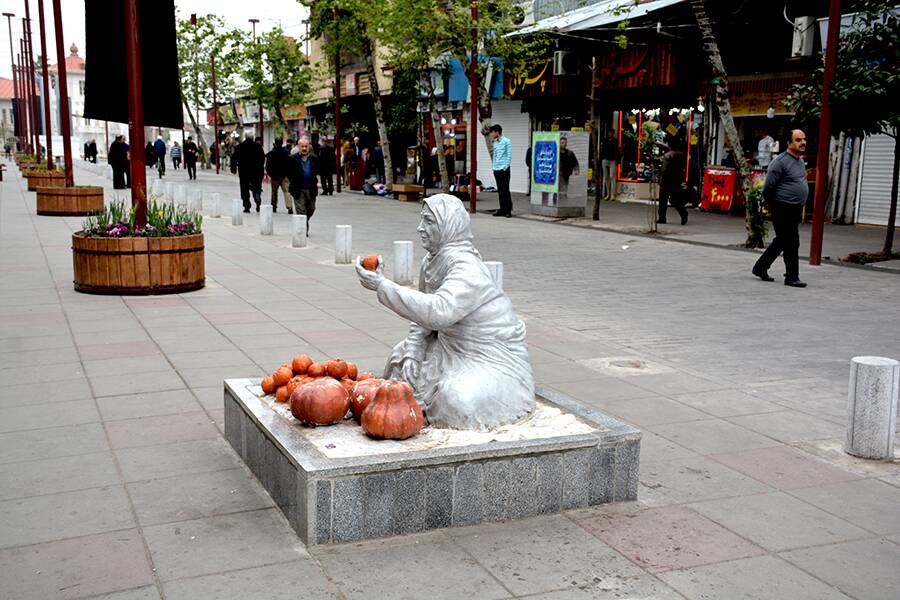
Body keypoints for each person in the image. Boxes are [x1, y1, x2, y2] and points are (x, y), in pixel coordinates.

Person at [353, 194, 535, 430]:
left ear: (447, 226)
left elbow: (439, 311)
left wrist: (383, 286)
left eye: (428, 222)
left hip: (489, 356)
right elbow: (422, 316)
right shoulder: (432, 260)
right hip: (448, 348)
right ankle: (404, 414)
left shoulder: (467, 267)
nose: (420, 229)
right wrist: (414, 350)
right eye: (422, 221)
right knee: (399, 360)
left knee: (456, 400)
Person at [752, 129, 809, 288]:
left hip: (796, 208)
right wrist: (772, 207)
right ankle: (792, 277)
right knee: (791, 241)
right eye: (798, 140)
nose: (803, 142)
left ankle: (760, 267)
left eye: (804, 139)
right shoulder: (780, 162)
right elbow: (768, 188)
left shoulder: (799, 160)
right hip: (782, 207)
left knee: (782, 241)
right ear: (789, 143)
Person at [286, 137, 319, 233]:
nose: (304, 148)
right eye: (302, 146)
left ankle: (304, 221)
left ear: (309, 147)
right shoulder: (292, 159)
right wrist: (293, 181)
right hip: (298, 189)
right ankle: (304, 230)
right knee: (301, 211)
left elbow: (316, 171)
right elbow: (288, 172)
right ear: (298, 147)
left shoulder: (314, 158)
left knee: (311, 208)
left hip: (311, 188)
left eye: (306, 146)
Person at [657, 139, 689, 225]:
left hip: (667, 180)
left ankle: (662, 217)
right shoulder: (681, 155)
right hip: (676, 180)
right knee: (675, 200)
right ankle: (683, 213)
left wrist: (660, 179)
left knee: (663, 199)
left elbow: (664, 170)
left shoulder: (667, 156)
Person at [231, 134, 265, 213]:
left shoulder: (240, 147)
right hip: (256, 172)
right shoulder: (258, 147)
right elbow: (262, 159)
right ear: (252, 138)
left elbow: (234, 158)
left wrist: (234, 169)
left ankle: (246, 206)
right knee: (256, 186)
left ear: (245, 137)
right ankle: (257, 199)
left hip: (244, 171)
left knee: (244, 189)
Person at [489, 124, 513, 217]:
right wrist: (494, 167)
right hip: (496, 169)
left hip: (504, 169)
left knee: (505, 189)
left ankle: (508, 210)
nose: (491, 134)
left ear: (497, 132)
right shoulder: (495, 143)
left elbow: (509, 154)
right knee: (500, 190)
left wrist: (505, 166)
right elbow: (495, 156)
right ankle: (502, 209)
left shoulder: (507, 141)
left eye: (492, 132)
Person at [265, 138, 292, 213]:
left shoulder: (271, 153)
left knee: (274, 192)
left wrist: (270, 174)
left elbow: (267, 165)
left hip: (275, 176)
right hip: (284, 175)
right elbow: (290, 164)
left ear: (275, 144)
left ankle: (274, 206)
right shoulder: (286, 153)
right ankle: (289, 207)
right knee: (287, 191)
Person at [600, 129, 619, 201]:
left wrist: (616, 159)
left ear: (613, 133)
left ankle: (612, 194)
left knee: (612, 177)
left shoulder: (615, 141)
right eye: (609, 132)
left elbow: (617, 151)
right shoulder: (605, 140)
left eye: (611, 132)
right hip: (605, 159)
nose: (610, 134)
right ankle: (608, 194)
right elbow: (602, 150)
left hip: (612, 160)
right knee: (606, 177)